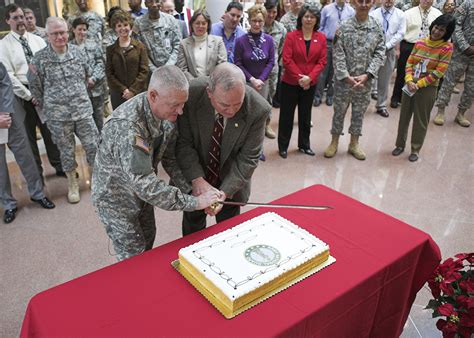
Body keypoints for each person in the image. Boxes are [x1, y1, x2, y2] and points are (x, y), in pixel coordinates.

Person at [92, 65, 221, 261]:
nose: (181, 110)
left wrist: (192, 189)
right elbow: (146, 185)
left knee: (148, 238)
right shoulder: (127, 127)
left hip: (141, 196)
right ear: (153, 96)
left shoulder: (166, 112)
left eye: (183, 103)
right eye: (175, 105)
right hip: (116, 200)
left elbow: (170, 158)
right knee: (133, 256)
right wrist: (195, 203)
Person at [176, 63, 271, 236]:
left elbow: (248, 158)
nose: (232, 111)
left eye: (238, 104)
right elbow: (184, 143)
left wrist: (224, 193)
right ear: (209, 93)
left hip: (231, 178)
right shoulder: (192, 95)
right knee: (193, 226)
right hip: (197, 170)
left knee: (229, 229)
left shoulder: (258, 109)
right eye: (225, 105)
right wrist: (197, 180)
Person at [28, 17, 99, 204]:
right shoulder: (39, 59)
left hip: (82, 110)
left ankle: (97, 181)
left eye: (62, 32)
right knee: (66, 151)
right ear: (47, 35)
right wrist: (52, 106)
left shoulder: (78, 53)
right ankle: (72, 184)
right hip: (58, 115)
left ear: (68, 32)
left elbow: (86, 76)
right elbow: (36, 88)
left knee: (93, 145)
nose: (59, 36)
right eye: (55, 33)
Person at [0, 4, 64, 179]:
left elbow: (50, 65)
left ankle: (59, 166)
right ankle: (38, 172)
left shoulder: (38, 40)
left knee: (50, 132)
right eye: (16, 18)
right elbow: (9, 76)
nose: (20, 21)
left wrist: (45, 92)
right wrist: (29, 95)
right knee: (29, 138)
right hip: (22, 97)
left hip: (44, 93)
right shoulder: (4, 46)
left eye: (22, 16)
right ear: (8, 21)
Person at [323, 0, 385, 161]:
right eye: (360, 1)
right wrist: (345, 76)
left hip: (365, 81)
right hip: (344, 81)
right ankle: (334, 141)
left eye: (368, 1)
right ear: (353, 2)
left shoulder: (377, 26)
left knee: (359, 113)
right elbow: (338, 53)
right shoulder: (343, 26)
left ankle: (354, 143)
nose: (364, 4)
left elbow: (380, 52)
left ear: (373, 3)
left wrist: (368, 74)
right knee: (339, 112)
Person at [392, 15, 454, 161]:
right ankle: (400, 145)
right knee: (404, 116)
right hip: (410, 84)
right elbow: (410, 62)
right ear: (432, 26)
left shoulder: (447, 48)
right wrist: (408, 80)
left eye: (442, 30)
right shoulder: (420, 42)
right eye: (436, 27)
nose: (437, 31)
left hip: (428, 88)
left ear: (447, 32)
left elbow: (439, 71)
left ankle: (415, 149)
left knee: (421, 119)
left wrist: (418, 84)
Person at [0, 62, 55, 224]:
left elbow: (4, 82)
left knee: (26, 155)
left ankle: (38, 194)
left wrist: (5, 111)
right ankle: (8, 204)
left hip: (9, 113)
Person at [277, 5, 327, 159]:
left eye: (312, 17)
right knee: (286, 115)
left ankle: (304, 145)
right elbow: (287, 59)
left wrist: (309, 78)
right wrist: (300, 77)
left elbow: (322, 61)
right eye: (306, 16)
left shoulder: (321, 38)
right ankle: (283, 146)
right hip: (290, 83)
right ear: (301, 18)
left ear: (316, 20)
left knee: (305, 116)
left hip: (309, 84)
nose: (309, 19)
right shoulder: (292, 36)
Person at [390, 0, 442, 108]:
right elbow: (400, 33)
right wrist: (398, 49)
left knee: (422, 74)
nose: (426, 1)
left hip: (429, 48)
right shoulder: (408, 13)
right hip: (409, 46)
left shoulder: (438, 14)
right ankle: (396, 97)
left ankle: (416, 99)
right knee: (402, 72)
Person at [433, 0, 473, 127]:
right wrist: (465, 46)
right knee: (449, 82)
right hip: (460, 52)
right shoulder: (468, 4)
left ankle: (461, 113)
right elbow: (456, 25)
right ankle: (440, 111)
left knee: (471, 87)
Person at [313, 0, 355, 107]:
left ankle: (330, 96)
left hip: (341, 44)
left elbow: (352, 29)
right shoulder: (327, 9)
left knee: (335, 72)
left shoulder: (351, 11)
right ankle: (317, 96)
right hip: (327, 43)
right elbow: (319, 27)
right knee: (322, 71)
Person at [370, 0, 406, 117]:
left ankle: (381, 105)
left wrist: (388, 45)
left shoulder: (400, 15)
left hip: (389, 51)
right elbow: (369, 31)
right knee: (369, 77)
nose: (389, 1)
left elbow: (401, 33)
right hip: (373, 51)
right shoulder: (373, 14)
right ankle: (363, 103)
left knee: (385, 80)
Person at [106, 11, 149, 109]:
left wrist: (132, 91)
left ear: (130, 26)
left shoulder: (140, 47)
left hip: (138, 92)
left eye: (125, 25)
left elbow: (144, 71)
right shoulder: (110, 50)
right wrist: (124, 90)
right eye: (119, 25)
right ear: (115, 28)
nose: (122, 28)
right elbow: (109, 73)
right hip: (118, 94)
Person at [71, 17, 106, 132]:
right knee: (86, 124)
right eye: (79, 29)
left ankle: (102, 145)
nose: (82, 32)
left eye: (85, 30)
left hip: (96, 90)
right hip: (80, 93)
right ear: (73, 30)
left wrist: (94, 78)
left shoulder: (94, 44)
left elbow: (100, 63)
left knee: (99, 120)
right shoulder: (69, 48)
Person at [176, 9, 227, 81]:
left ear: (208, 25)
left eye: (204, 23)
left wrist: (210, 83)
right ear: (192, 24)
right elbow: (182, 69)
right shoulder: (183, 44)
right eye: (197, 23)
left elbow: (222, 65)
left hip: (213, 85)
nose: (200, 26)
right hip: (191, 86)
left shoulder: (218, 41)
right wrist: (196, 84)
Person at [134, 0, 182, 72]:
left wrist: (168, 66)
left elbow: (178, 45)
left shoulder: (171, 20)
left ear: (161, 3)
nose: (154, 5)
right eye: (150, 1)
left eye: (157, 1)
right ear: (145, 4)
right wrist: (154, 70)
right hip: (149, 72)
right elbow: (140, 49)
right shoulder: (138, 23)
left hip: (172, 69)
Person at [264, 0, 287, 114]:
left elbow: (281, 49)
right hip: (257, 69)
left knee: (270, 96)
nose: (271, 15)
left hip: (273, 69)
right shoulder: (257, 25)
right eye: (269, 11)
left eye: (274, 12)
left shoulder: (281, 29)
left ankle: (267, 123)